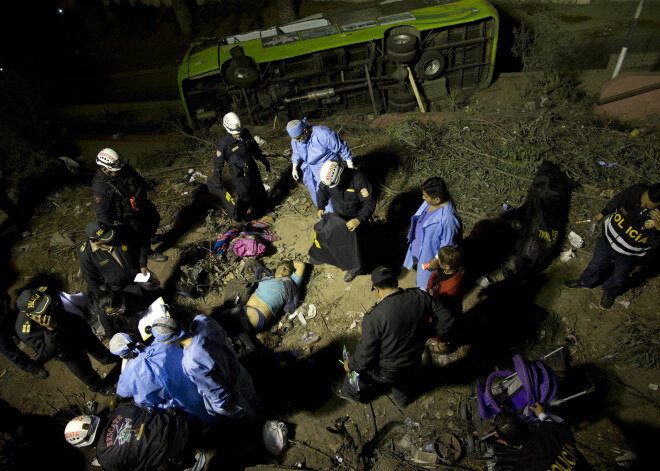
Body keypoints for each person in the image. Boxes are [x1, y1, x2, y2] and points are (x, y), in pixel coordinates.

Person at [336, 266, 455, 406]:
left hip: (384, 371)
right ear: (396, 282)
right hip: (412, 364)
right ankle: (403, 400)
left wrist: (351, 365)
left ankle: (348, 392)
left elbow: (365, 356)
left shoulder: (374, 317)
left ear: (376, 288)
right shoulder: (420, 296)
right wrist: (426, 333)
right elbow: (447, 318)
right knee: (403, 386)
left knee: (358, 372)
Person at [563, 183, 660, 309]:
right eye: (643, 200)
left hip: (629, 254)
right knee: (595, 264)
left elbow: (655, 245)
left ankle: (609, 292)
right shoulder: (637, 190)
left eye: (649, 206)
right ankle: (585, 281)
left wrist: (658, 229)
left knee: (619, 276)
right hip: (607, 240)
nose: (642, 205)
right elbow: (619, 199)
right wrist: (603, 213)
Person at [152, 315, 260, 421]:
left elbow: (216, 391)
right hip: (238, 370)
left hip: (233, 392)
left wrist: (223, 407)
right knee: (254, 399)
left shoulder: (190, 362)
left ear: (168, 341)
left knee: (250, 416)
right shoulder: (202, 320)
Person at [14, 287, 117, 396]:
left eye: (47, 304)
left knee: (95, 345)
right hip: (64, 348)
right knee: (83, 370)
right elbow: (46, 352)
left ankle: (108, 358)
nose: (49, 309)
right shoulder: (25, 330)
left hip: (74, 326)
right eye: (42, 311)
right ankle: (100, 387)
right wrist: (50, 330)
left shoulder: (46, 292)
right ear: (30, 315)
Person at [110, 333, 214, 426]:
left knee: (207, 416)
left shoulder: (129, 373)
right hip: (202, 381)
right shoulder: (163, 343)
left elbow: (125, 392)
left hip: (187, 400)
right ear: (133, 337)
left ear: (121, 356)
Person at [64, 404, 202, 471]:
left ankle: (191, 464)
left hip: (175, 453)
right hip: (182, 425)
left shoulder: (107, 460)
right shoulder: (121, 410)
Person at [92, 148, 167, 262]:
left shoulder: (123, 168)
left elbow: (137, 179)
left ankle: (151, 236)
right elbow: (102, 212)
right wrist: (110, 233)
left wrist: (140, 195)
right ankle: (146, 253)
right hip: (127, 214)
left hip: (140, 203)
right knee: (139, 233)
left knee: (154, 217)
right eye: (116, 170)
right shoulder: (100, 188)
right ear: (105, 169)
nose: (120, 171)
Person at [217, 260, 306, 351]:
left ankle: (248, 344)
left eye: (286, 269)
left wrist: (288, 261)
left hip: (257, 314)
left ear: (290, 274)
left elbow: (301, 265)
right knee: (224, 319)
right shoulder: (267, 278)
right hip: (246, 311)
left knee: (225, 319)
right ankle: (243, 339)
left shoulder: (290, 282)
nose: (282, 269)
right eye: (280, 267)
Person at [316, 160, 375, 282]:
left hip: (357, 219)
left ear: (341, 175)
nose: (335, 187)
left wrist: (359, 220)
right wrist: (321, 206)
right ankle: (349, 263)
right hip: (340, 216)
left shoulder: (358, 180)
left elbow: (369, 202)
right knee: (344, 242)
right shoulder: (329, 181)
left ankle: (357, 268)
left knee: (360, 246)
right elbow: (322, 190)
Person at [208, 112, 272, 222]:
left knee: (259, 189)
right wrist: (218, 180)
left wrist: (264, 161)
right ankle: (240, 218)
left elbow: (255, 149)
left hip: (251, 167)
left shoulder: (246, 133)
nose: (239, 134)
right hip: (239, 173)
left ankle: (264, 209)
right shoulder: (224, 143)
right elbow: (218, 163)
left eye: (240, 131)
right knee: (245, 195)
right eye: (236, 133)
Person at [492, 403, 593, 470]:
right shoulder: (551, 429)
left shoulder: (522, 467)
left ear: (507, 443)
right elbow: (560, 422)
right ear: (525, 422)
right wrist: (542, 415)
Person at [403, 177, 463, 290]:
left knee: (428, 284)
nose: (423, 198)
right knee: (421, 271)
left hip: (429, 256)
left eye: (425, 196)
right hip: (421, 247)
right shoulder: (431, 203)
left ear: (437, 199)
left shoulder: (448, 219)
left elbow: (448, 246)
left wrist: (435, 260)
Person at [287, 118, 354, 212]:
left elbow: (342, 147)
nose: (297, 141)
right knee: (317, 194)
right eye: (294, 139)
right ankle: (326, 217)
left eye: (298, 138)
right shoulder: (296, 139)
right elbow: (296, 152)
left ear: (305, 130)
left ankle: (336, 219)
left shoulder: (323, 134)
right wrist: (294, 167)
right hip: (312, 170)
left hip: (329, 167)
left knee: (331, 195)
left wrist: (350, 167)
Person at [79, 221, 153, 299]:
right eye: (104, 239)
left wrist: (143, 264)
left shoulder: (119, 230)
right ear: (93, 241)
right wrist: (104, 297)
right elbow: (91, 280)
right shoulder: (86, 255)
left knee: (153, 293)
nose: (110, 239)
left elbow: (142, 242)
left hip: (138, 275)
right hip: (118, 288)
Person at [424, 246, 465, 353]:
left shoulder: (449, 290)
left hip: (445, 315)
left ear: (447, 267)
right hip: (445, 310)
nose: (437, 261)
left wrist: (432, 294)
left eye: (439, 260)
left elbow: (444, 316)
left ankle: (444, 347)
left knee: (445, 332)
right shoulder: (449, 273)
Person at [0, 297, 49, 378]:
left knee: (23, 329)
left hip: (4, 311)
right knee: (10, 350)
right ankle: (30, 367)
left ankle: (45, 346)